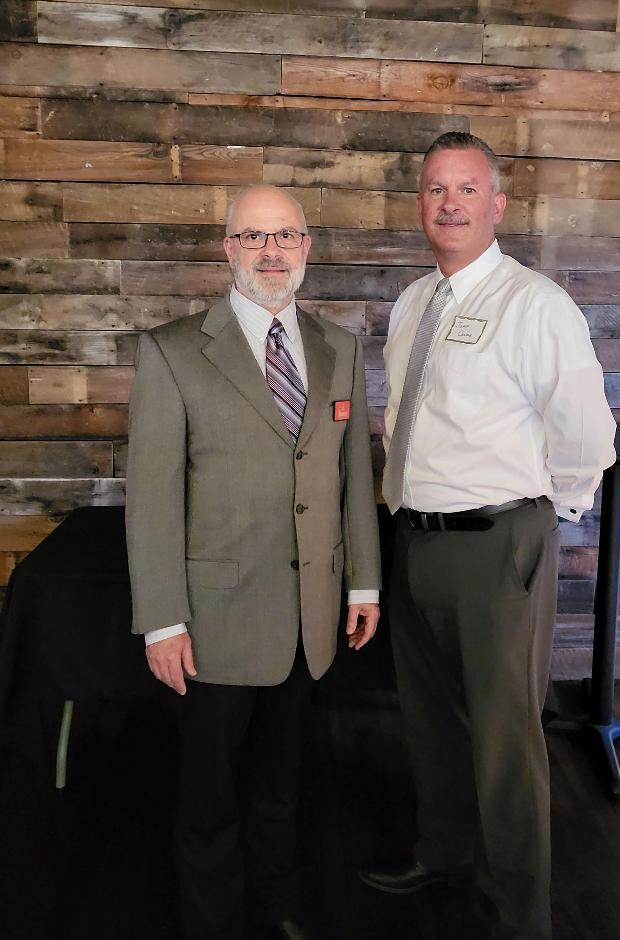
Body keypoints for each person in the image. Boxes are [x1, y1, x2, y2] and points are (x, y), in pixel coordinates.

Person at [360, 132, 616, 940]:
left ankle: (519, 913)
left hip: (499, 546)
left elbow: (586, 440)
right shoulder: (411, 304)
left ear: (497, 204)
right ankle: (444, 850)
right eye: (437, 189)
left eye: (467, 188)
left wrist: (542, 517)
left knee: (505, 741)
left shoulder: (535, 305)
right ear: (420, 205)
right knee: (431, 721)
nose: (450, 203)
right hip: (417, 540)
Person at [125, 185, 381, 940]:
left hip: (309, 621)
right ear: (228, 248)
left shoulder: (340, 347)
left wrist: (362, 579)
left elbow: (350, 481)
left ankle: (276, 911)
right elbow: (153, 501)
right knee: (208, 798)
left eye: (286, 236)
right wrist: (162, 621)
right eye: (253, 237)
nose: (272, 252)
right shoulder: (172, 351)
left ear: (306, 247)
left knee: (280, 786)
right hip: (213, 622)